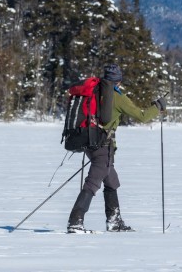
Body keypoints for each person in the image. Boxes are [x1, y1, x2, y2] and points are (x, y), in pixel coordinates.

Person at [67, 63, 166, 233]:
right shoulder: (117, 97)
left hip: (90, 143)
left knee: (111, 181)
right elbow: (142, 116)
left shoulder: (95, 90)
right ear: (119, 81)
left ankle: (114, 222)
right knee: (92, 184)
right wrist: (157, 107)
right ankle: (75, 222)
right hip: (103, 146)